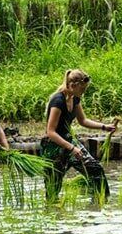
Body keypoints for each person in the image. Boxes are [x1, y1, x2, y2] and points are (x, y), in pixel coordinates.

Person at [42, 69, 116, 200]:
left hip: (69, 140)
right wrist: (72, 148)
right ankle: (52, 213)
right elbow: (50, 132)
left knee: (95, 169)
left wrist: (104, 127)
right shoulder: (58, 101)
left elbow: (83, 120)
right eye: (82, 89)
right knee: (53, 187)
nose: (83, 92)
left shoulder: (75, 98)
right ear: (73, 85)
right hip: (53, 146)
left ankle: (101, 202)